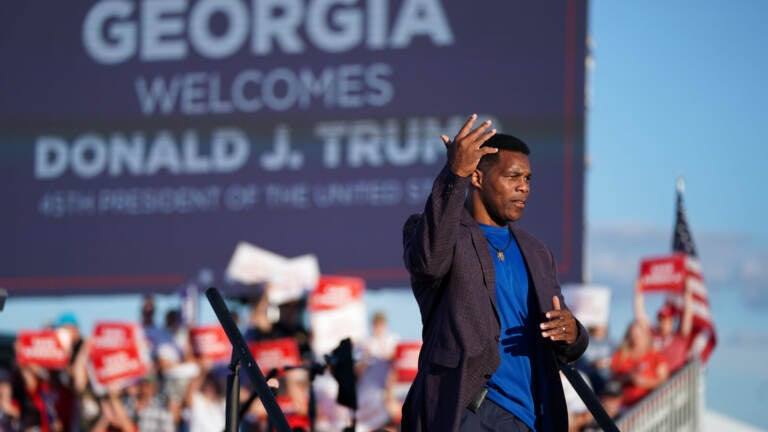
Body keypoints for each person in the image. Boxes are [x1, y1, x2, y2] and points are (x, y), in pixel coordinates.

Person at [401, 115, 589, 431]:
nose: (523, 187)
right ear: (477, 178)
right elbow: (428, 261)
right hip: (468, 411)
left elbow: (562, 333)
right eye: (513, 176)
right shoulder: (438, 232)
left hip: (533, 416)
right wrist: (453, 175)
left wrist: (573, 334)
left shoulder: (537, 252)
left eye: (528, 179)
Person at [633, 278, 694, 373]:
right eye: (661, 319)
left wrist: (687, 294)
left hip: (676, 382)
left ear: (673, 322)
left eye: (668, 320)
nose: (664, 323)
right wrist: (638, 293)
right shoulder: (652, 336)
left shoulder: (680, 337)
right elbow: (640, 315)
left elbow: (688, 315)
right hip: (657, 384)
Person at [610, 320, 669, 408]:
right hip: (624, 407)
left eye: (639, 334)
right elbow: (612, 380)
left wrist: (644, 382)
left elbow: (663, 381)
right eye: (632, 334)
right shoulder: (620, 355)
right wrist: (627, 378)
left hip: (650, 406)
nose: (636, 338)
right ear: (628, 336)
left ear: (645, 335)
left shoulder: (656, 356)